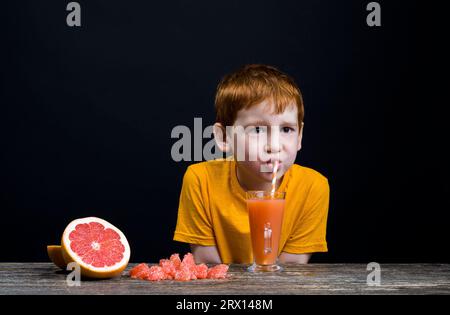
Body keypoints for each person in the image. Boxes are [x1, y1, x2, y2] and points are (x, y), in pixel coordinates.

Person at [174, 64, 329, 264]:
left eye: (287, 130)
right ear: (224, 137)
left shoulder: (312, 187)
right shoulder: (200, 181)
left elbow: (291, 271)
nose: (274, 146)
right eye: (257, 130)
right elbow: (210, 267)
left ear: (300, 136)